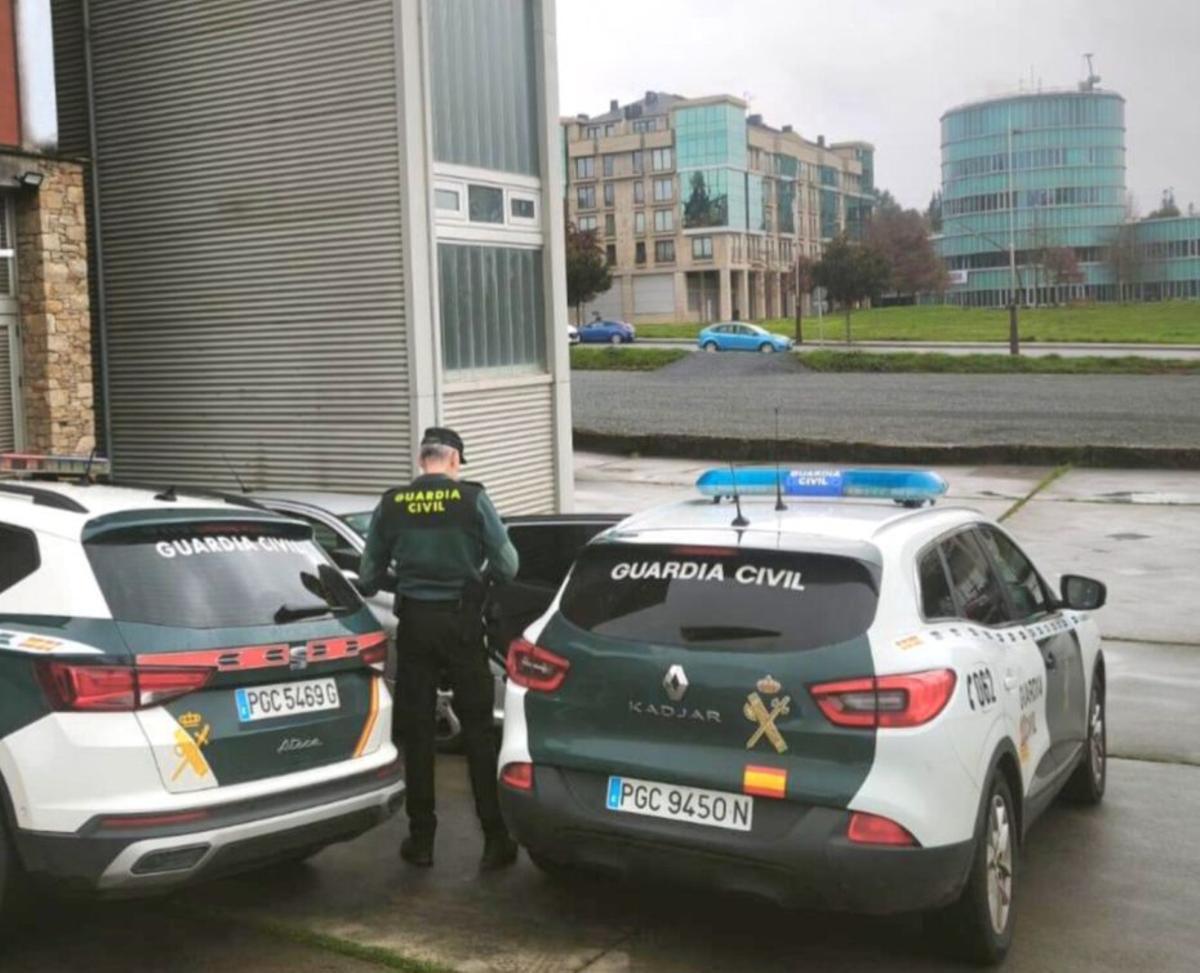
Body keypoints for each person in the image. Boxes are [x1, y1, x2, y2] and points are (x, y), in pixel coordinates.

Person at [359, 427, 520, 870]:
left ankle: (421, 840)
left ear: (421, 459)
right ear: (453, 461)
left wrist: (402, 578)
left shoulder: (392, 504)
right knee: (479, 732)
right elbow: (508, 566)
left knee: (418, 733)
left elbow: (368, 576)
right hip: (463, 625)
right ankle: (495, 839)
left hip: (415, 626)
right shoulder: (472, 500)